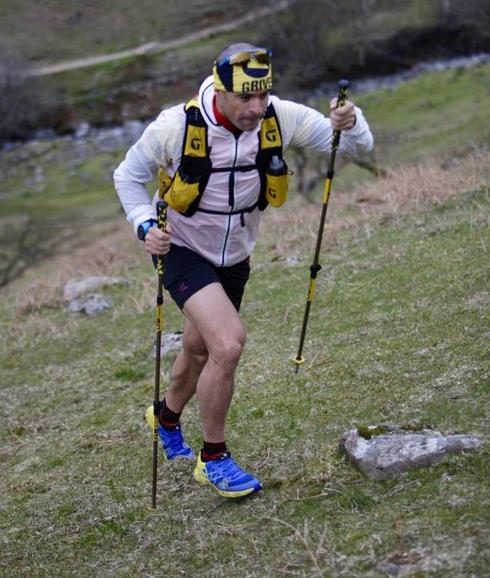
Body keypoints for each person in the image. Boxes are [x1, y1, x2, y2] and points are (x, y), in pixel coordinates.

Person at [114, 42, 373, 499]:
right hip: (181, 246)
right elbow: (127, 177)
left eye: (263, 96)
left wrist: (351, 122)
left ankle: (165, 417)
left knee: (198, 349)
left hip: (234, 255)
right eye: (245, 98)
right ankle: (213, 459)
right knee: (229, 343)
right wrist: (142, 227)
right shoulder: (175, 126)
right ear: (220, 89)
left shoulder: (280, 117)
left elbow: (352, 147)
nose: (256, 108)